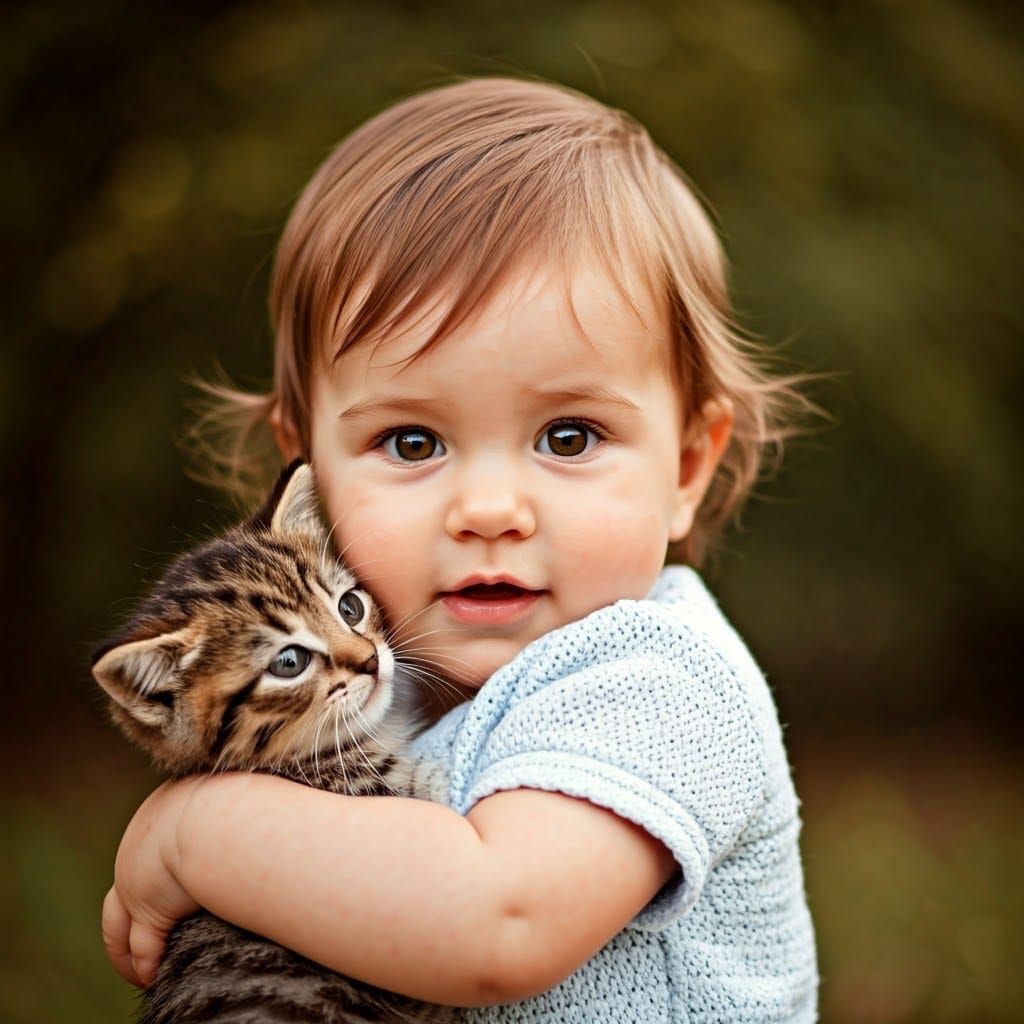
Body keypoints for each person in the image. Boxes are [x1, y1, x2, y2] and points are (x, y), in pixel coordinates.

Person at [102, 76, 818, 1021]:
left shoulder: (663, 681)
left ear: (685, 468)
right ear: (310, 479)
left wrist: (196, 833)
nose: (488, 511)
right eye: (412, 442)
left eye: (569, 436)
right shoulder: (372, 707)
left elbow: (497, 923)